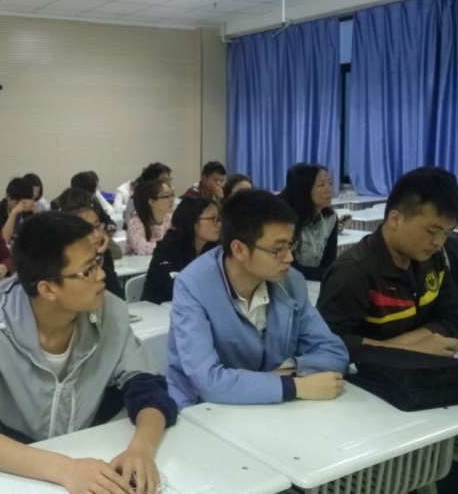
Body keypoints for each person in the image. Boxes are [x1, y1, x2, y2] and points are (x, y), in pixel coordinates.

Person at [0, 212, 177, 493]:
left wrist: (140, 450)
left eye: (97, 261)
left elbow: (149, 389)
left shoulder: (110, 311)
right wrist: (65, 469)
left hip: (87, 448)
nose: (102, 275)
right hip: (18, 463)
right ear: (48, 289)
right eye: (88, 270)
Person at [167, 189, 349, 408]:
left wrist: (284, 374)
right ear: (239, 250)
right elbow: (208, 382)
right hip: (203, 411)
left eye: (290, 245)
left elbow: (335, 353)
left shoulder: (291, 282)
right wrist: (296, 386)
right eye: (277, 250)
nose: (289, 258)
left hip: (269, 406)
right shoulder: (193, 286)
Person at [317, 167, 458, 362]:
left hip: (417, 370)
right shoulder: (353, 271)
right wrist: (410, 350)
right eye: (432, 231)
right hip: (365, 376)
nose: (438, 242)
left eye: (446, 233)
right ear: (395, 219)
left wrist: (410, 346)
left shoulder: (433, 259)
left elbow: (452, 315)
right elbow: (327, 343)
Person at [142, 198, 220, 305]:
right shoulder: (168, 247)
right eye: (213, 218)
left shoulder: (214, 249)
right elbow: (177, 285)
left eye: (219, 218)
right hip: (157, 308)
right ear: (192, 221)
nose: (219, 224)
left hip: (192, 306)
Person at [54, 188, 124, 299]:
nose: (97, 235)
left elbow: (116, 296)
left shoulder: (103, 253)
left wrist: (99, 256)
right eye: (87, 230)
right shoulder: (65, 266)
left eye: (97, 226)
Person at [279, 164, 338, 281]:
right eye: (321, 185)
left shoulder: (330, 218)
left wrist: (330, 274)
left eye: (330, 183)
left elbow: (329, 260)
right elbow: (289, 266)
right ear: (303, 190)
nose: (328, 190)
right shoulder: (285, 222)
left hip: (316, 283)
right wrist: (327, 274)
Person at [125, 179, 173, 256]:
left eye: (172, 195)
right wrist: (169, 246)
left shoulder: (170, 218)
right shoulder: (136, 223)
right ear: (152, 202)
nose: (171, 200)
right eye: (167, 196)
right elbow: (142, 248)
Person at [0, 176, 37, 243]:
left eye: (23, 203)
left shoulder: (29, 209)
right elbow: (3, 240)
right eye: (17, 202)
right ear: (7, 196)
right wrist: (14, 213)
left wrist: (37, 213)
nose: (20, 206)